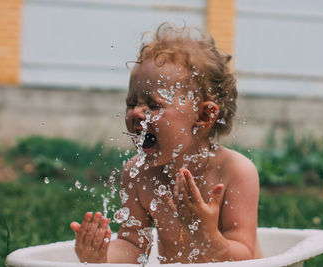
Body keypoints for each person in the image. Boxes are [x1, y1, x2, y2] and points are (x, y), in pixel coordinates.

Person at [70, 23, 262, 264]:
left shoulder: (235, 172)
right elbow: (133, 245)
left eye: (153, 105)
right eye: (131, 103)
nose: (137, 113)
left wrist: (209, 237)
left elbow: (246, 256)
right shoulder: (138, 173)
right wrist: (101, 257)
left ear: (203, 117)